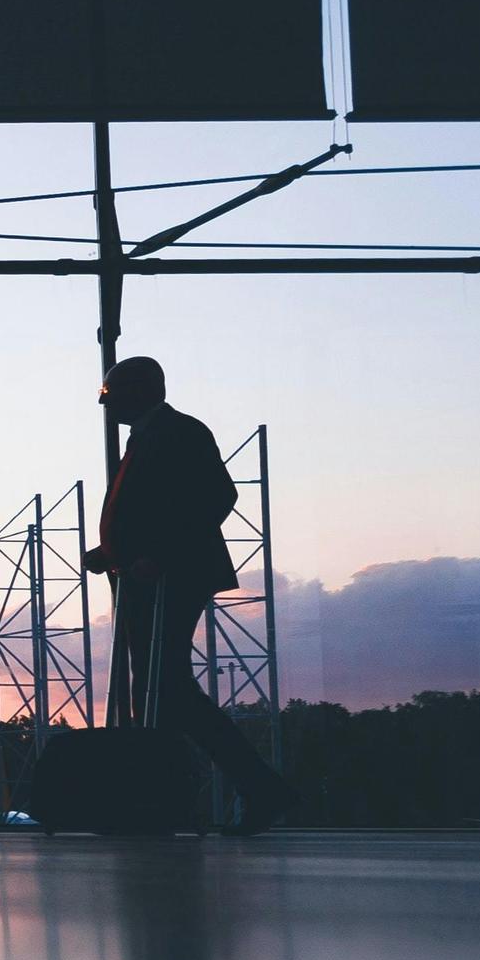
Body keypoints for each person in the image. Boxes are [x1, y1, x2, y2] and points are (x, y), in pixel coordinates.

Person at [85, 355, 294, 831]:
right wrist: (112, 550)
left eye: (111, 394)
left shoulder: (179, 432)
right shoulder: (148, 437)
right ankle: (201, 791)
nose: (107, 404)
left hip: (170, 578)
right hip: (147, 578)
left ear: (141, 390)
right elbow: (160, 506)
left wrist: (156, 554)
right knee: (162, 688)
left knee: (165, 687)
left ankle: (239, 789)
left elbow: (216, 496)